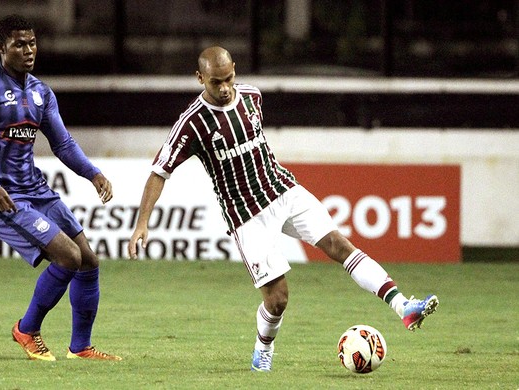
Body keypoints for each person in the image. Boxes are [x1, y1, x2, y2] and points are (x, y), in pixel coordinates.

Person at [128, 46, 438, 372]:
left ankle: (403, 306)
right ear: (199, 77)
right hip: (247, 215)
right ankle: (263, 350)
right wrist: (142, 223)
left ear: (235, 69)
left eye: (228, 78)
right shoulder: (193, 123)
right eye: (215, 82)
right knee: (277, 300)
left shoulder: (252, 97)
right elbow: (158, 172)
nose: (223, 88)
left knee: (339, 245)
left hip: (283, 190)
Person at [0, 14, 121, 362]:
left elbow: (63, 144)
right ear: (1, 48)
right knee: (68, 257)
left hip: (36, 190)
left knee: (88, 260)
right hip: (2, 197)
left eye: (32, 43)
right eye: (19, 44)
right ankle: (27, 329)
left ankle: (80, 348)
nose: (28, 51)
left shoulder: (41, 92)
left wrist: (93, 173)